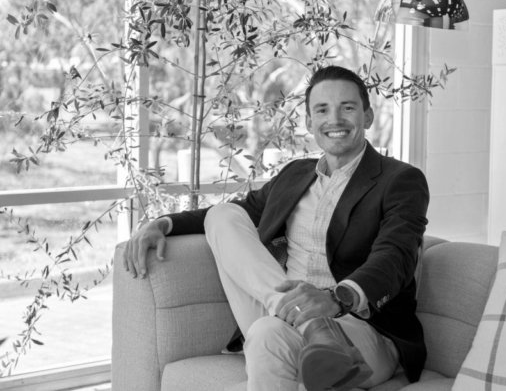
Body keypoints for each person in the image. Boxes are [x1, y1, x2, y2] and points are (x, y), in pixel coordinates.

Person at [123, 65, 430, 391]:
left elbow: (395, 255)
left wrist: (336, 299)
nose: (335, 119)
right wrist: (161, 223)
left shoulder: (400, 180)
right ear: (309, 122)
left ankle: (316, 329)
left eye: (348, 108)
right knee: (224, 216)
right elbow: (235, 213)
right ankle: (311, 325)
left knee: (266, 333)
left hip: (361, 328)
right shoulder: (295, 175)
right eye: (322, 110)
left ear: (367, 117)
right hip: (283, 317)